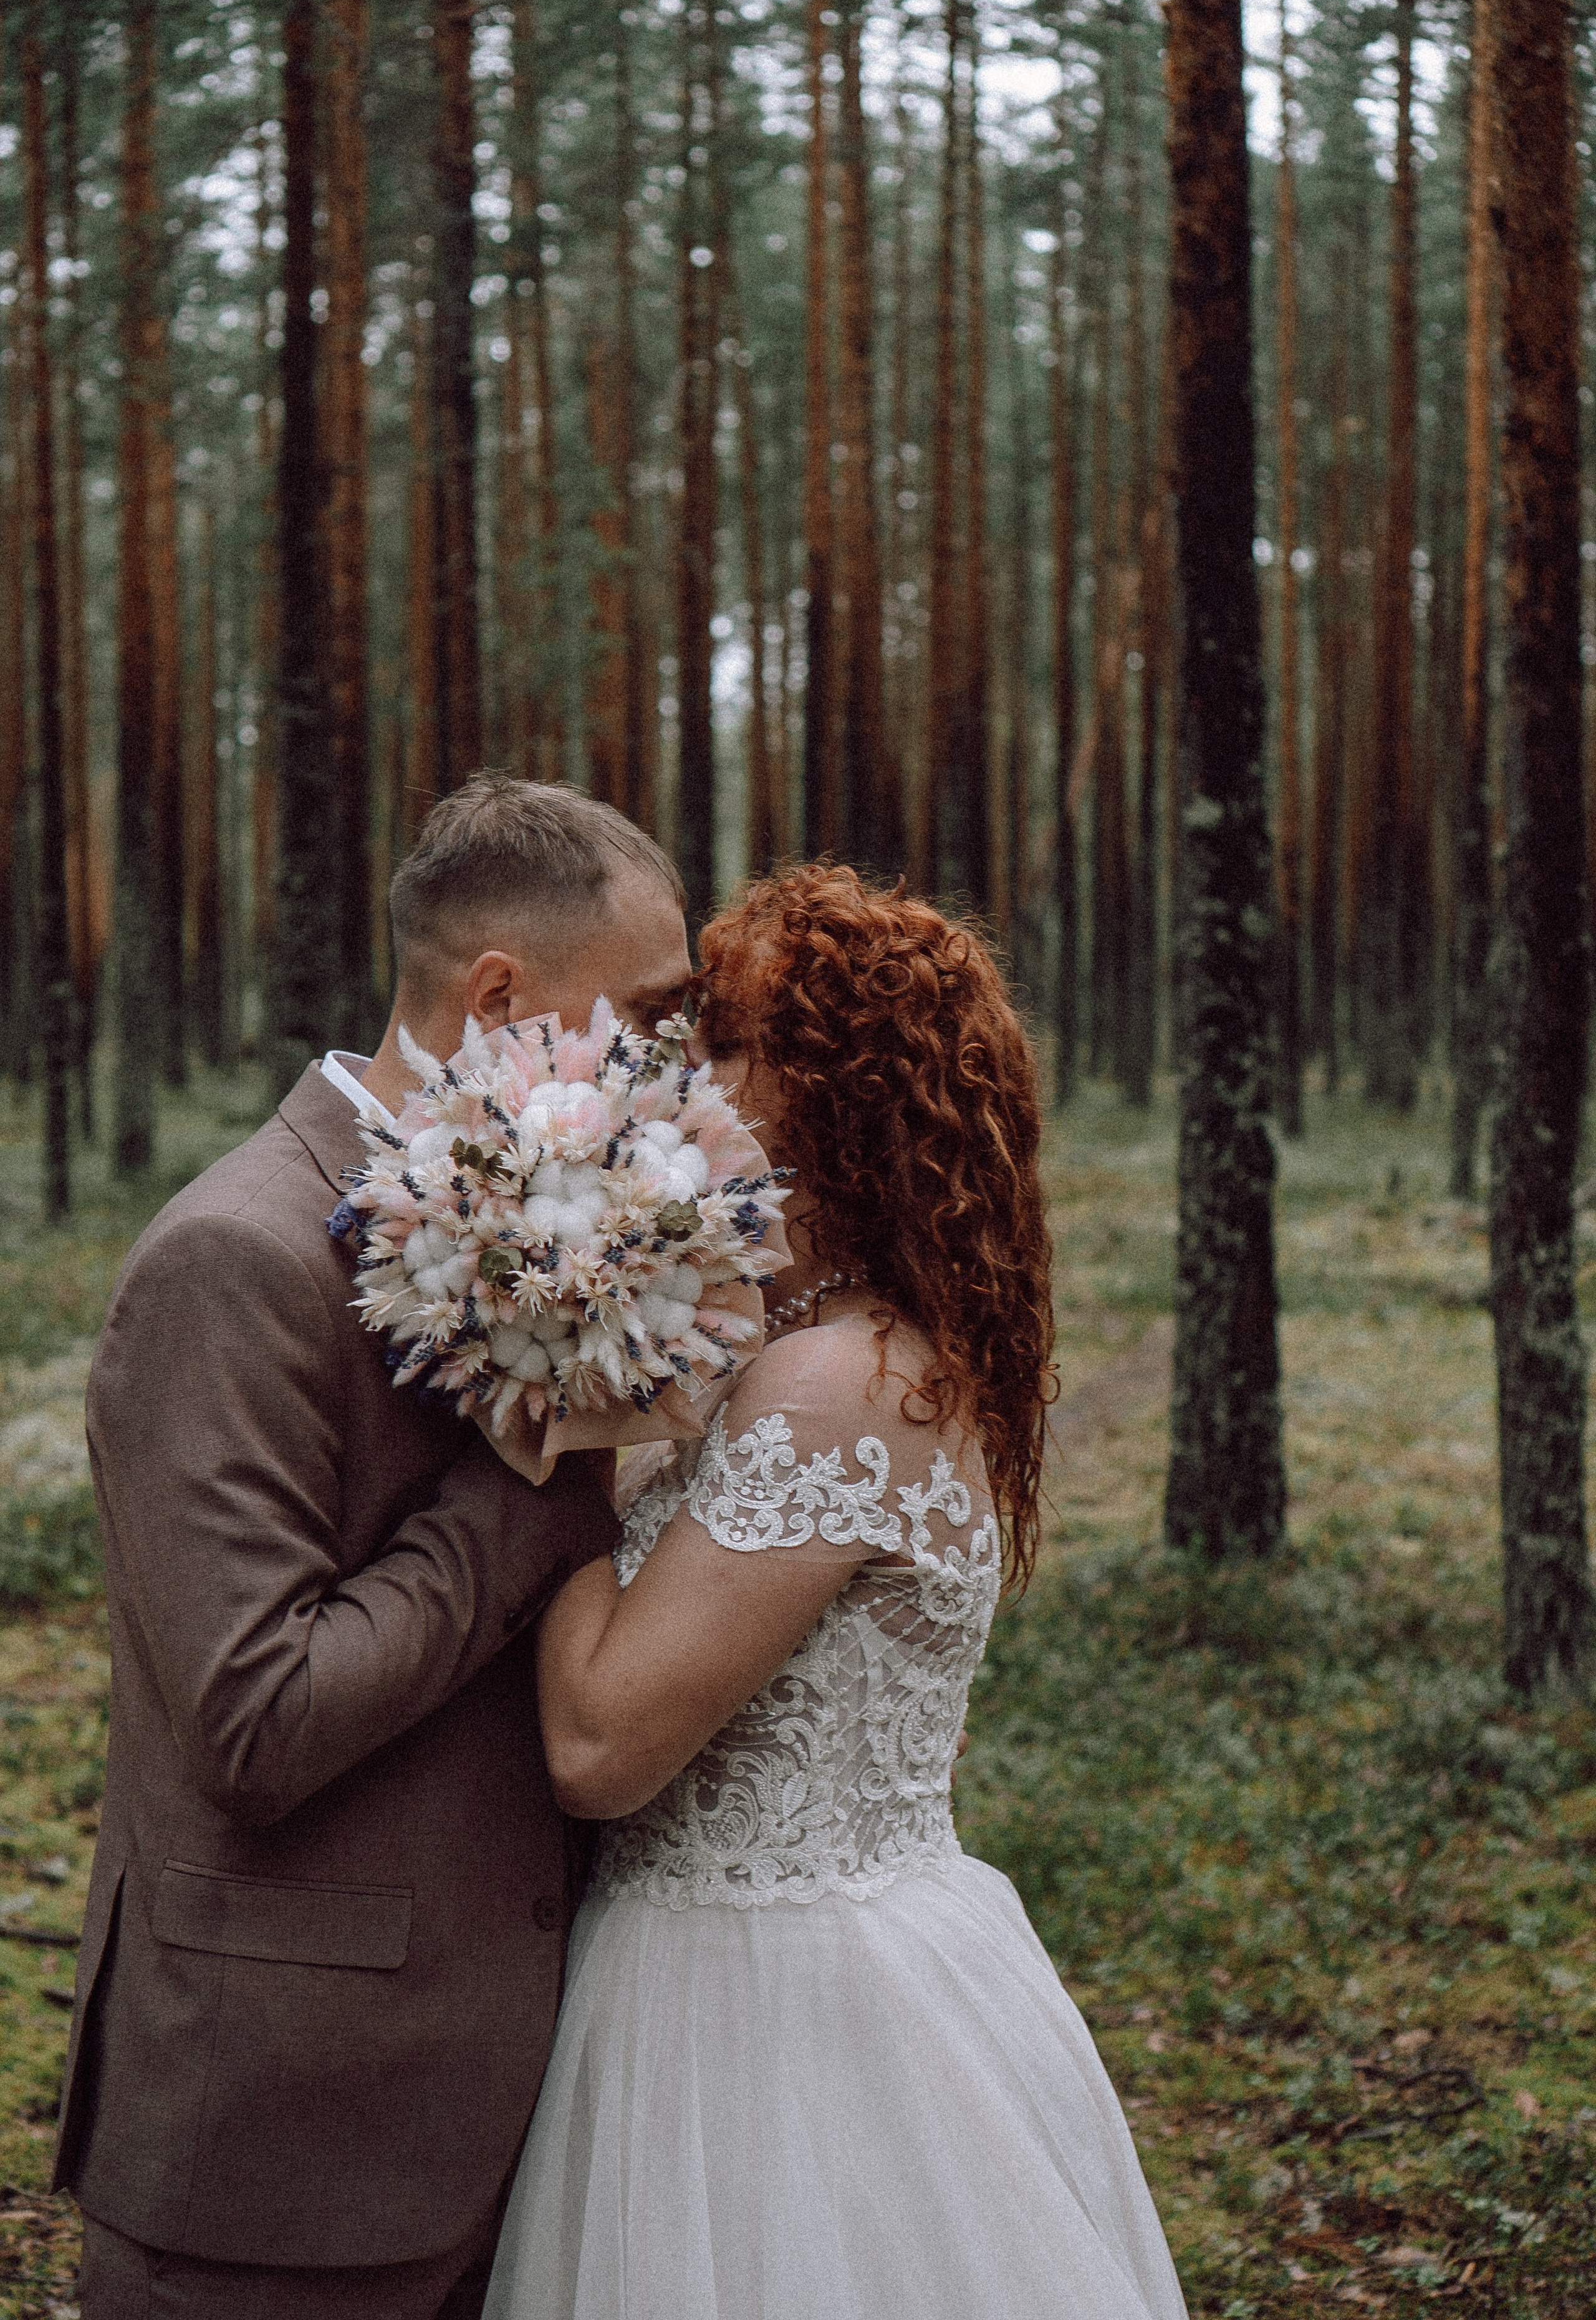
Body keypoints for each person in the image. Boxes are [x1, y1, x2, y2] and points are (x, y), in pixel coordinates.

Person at [485, 865, 1188, 2320]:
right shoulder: (793, 1343)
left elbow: (600, 1747)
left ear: (840, 1089)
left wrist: (545, 1436)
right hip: (722, 1959)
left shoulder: (835, 1384)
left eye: (730, 1040)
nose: (684, 1071)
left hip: (777, 2013)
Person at [59, 776, 693, 2320]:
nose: (667, 1059)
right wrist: (544, 1490)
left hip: (512, 2125)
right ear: (500, 997)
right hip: (281, 2157)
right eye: (649, 1011)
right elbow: (253, 1719)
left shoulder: (561, 1221)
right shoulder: (237, 1260)